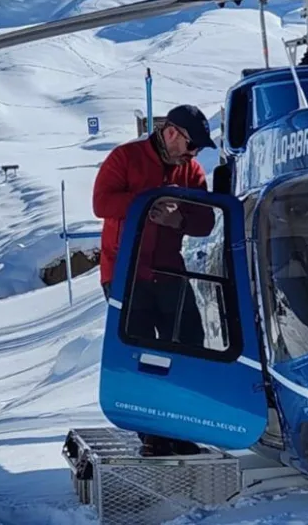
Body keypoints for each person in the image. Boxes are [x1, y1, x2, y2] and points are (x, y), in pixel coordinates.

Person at [92, 104, 217, 457]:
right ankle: (152, 435)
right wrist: (148, 204)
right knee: (142, 353)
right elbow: (102, 203)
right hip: (125, 274)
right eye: (191, 145)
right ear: (172, 133)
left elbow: (205, 220)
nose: (194, 154)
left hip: (170, 272)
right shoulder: (124, 158)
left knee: (190, 345)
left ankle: (182, 426)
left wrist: (179, 221)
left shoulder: (190, 171)